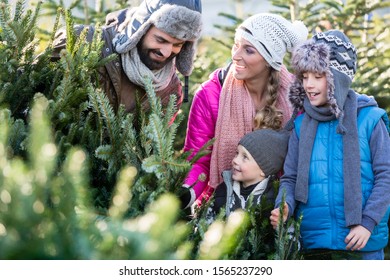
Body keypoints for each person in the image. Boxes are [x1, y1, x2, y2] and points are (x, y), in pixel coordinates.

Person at [270, 30, 390, 260]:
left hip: (362, 245)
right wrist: (284, 205)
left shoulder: (371, 120)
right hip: (316, 246)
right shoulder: (300, 125)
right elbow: (291, 178)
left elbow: (387, 175)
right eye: (304, 76)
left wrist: (367, 223)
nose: (309, 85)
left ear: (337, 78)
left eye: (318, 76)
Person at [180, 13, 308, 209]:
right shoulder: (211, 95)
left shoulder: (296, 97)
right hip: (221, 207)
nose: (236, 55)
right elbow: (198, 160)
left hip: (276, 209)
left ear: (269, 59)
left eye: (248, 50)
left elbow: (300, 162)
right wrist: (187, 191)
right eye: (235, 45)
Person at [52, 0, 202, 115]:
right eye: (161, 40)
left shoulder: (170, 91)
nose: (167, 52)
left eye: (178, 44)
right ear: (141, 29)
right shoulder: (80, 42)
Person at [205, 128, 290, 223]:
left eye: (245, 157)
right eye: (237, 153)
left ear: (263, 170)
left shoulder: (273, 201)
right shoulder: (223, 191)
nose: (235, 160)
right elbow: (205, 226)